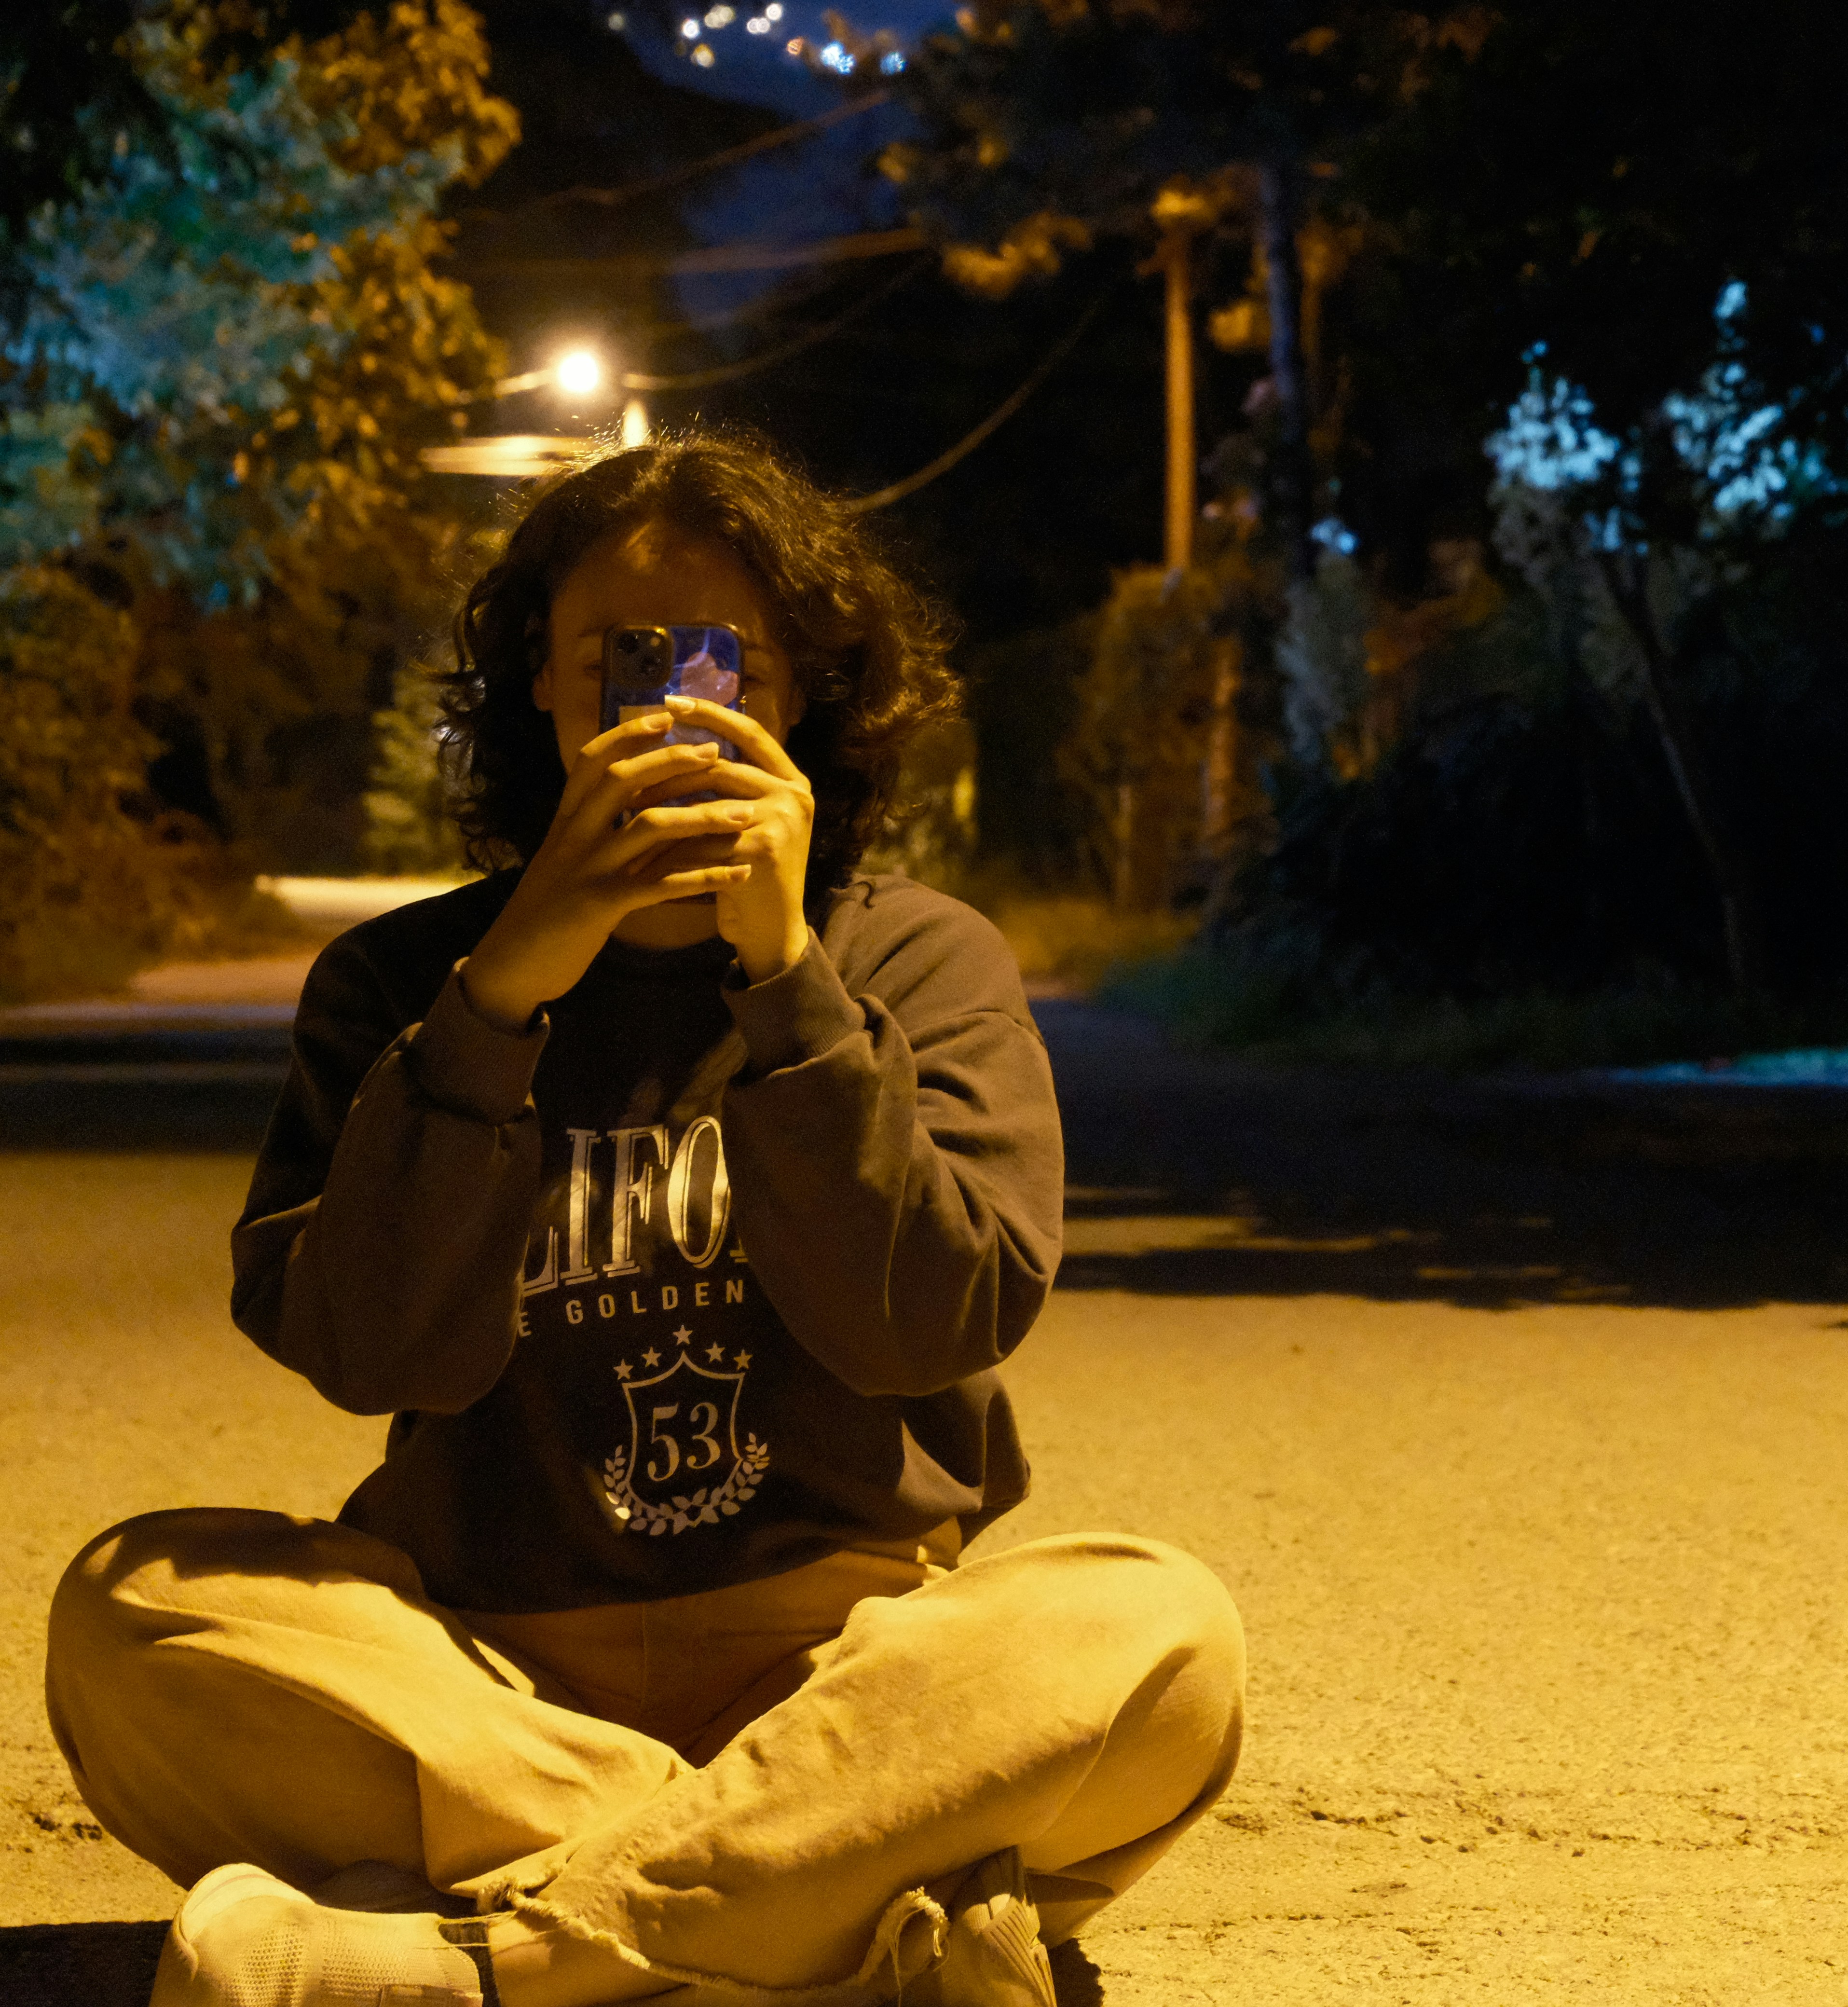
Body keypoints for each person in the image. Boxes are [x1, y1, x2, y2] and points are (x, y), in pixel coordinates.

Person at [44, 435, 1244, 2007]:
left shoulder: (916, 961)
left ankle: (491, 1960)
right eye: (621, 655)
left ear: (795, 692)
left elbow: (927, 1324)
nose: (674, 701)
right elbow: (369, 1347)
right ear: (543, 686)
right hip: (486, 1678)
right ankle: (834, 1906)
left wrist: (789, 984)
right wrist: (498, 1003)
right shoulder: (402, 984)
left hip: (847, 1668)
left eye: (720, 660)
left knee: (1162, 1635)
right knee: (129, 1608)